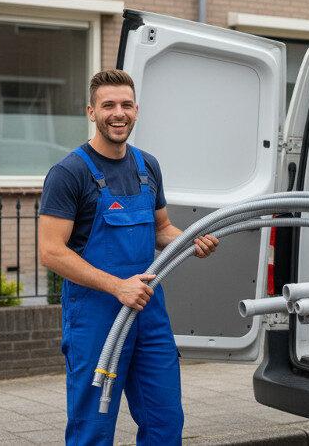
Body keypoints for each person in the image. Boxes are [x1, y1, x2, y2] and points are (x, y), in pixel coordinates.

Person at [38, 69, 219, 445]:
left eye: (125, 105)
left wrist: (190, 240)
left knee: (165, 420)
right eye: (108, 105)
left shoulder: (146, 166)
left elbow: (161, 229)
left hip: (148, 312)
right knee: (93, 427)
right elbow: (51, 251)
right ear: (91, 112)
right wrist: (117, 286)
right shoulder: (69, 173)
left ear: (136, 110)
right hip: (96, 316)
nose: (117, 113)